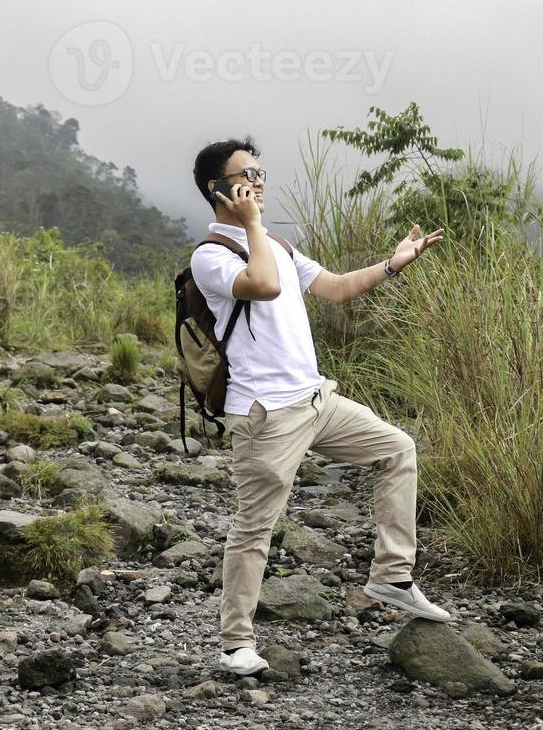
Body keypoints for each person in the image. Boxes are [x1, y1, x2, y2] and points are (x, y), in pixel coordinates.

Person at [189, 136, 451, 678]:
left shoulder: (279, 247)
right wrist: (252, 224)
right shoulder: (211, 256)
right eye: (245, 176)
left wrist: (393, 264)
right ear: (218, 190)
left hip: (317, 400)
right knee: (254, 526)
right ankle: (235, 642)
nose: (258, 182)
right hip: (266, 415)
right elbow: (259, 287)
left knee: (396, 448)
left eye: (260, 173)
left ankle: (391, 577)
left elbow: (333, 288)